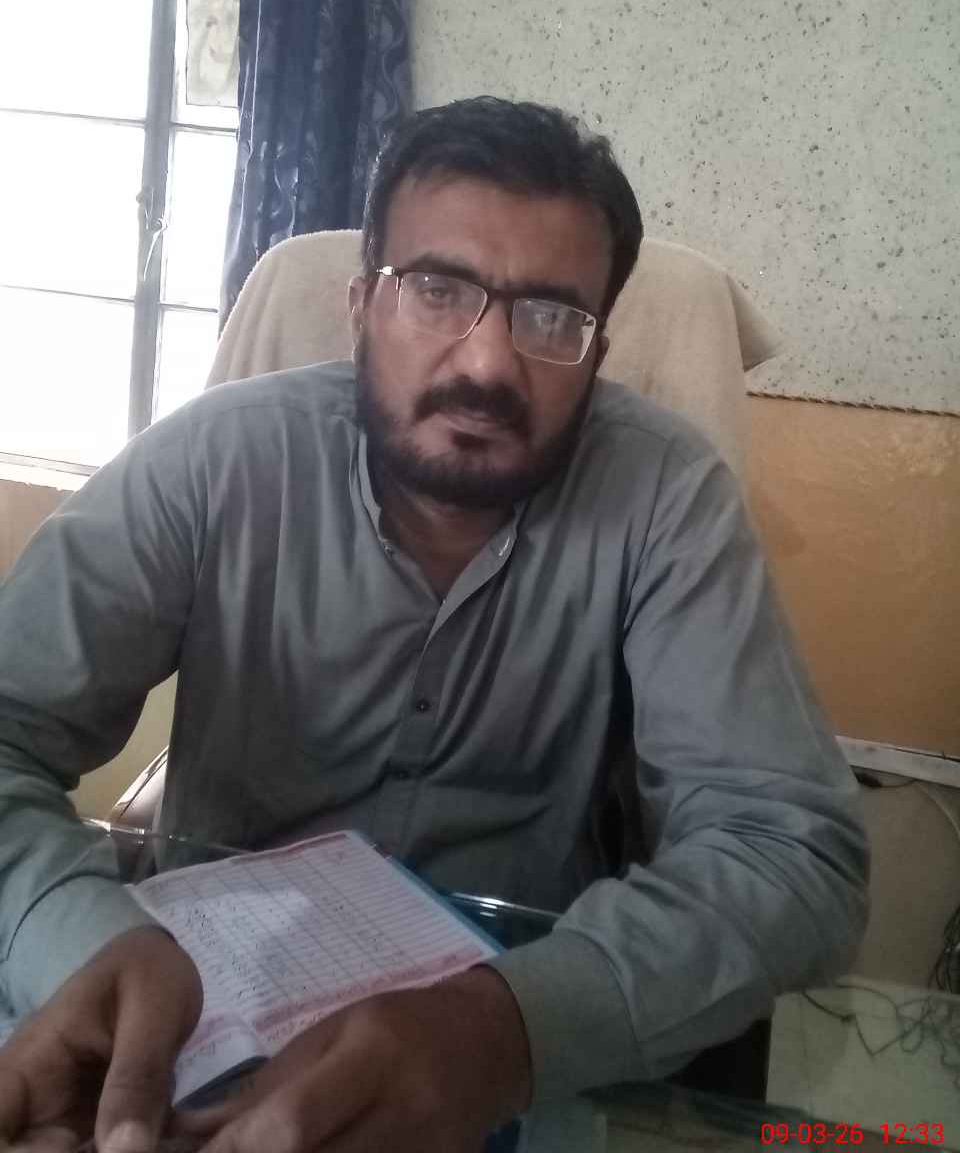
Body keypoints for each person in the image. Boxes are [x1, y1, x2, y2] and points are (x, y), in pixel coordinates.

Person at [0, 97, 868, 1153]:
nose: (489, 365)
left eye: (551, 316)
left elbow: (794, 851)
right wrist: (78, 937)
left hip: (506, 1045)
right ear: (362, 305)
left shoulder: (664, 499)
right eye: (438, 290)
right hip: (194, 1018)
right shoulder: (211, 462)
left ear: (598, 348)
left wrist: (507, 1029)